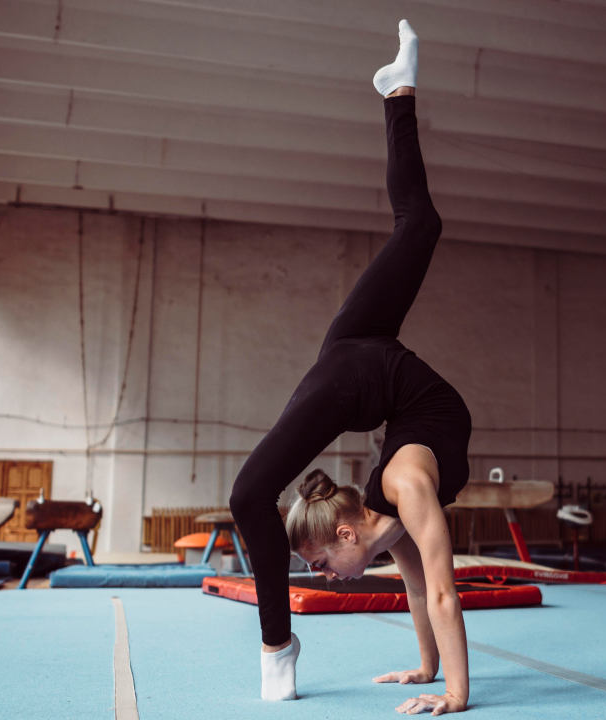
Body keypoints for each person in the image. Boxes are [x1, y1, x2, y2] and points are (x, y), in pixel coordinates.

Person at [228, 19, 472, 716]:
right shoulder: (397, 498)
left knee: (420, 226)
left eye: (314, 565)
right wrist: (427, 672)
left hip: (361, 368)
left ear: (346, 534)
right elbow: (430, 588)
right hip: (373, 370)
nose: (322, 575)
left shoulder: (392, 495)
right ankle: (279, 646)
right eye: (315, 568)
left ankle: (398, 92)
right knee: (249, 496)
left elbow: (442, 592)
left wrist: (451, 692)